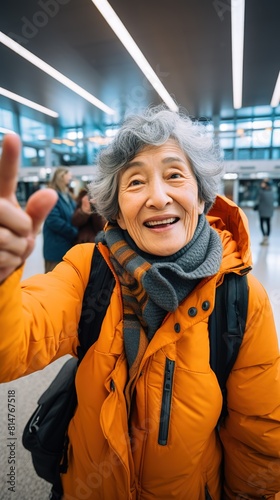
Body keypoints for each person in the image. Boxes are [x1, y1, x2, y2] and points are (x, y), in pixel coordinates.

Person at [0, 106, 280, 500]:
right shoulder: (88, 271)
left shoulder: (240, 297)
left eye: (174, 175)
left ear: (202, 197)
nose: (158, 196)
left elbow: (258, 437)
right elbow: (10, 349)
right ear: (116, 209)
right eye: (135, 182)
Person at [43, 167, 78, 272]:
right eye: (69, 175)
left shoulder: (67, 194)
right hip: (55, 247)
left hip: (66, 245)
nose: (71, 178)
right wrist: (73, 231)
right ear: (61, 176)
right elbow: (53, 220)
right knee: (53, 280)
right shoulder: (51, 195)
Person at [255, 178, 275, 245]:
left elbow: (258, 201)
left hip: (262, 211)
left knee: (262, 224)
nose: (262, 184)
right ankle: (267, 237)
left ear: (266, 184)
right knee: (268, 224)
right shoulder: (272, 192)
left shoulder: (261, 192)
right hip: (270, 211)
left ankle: (264, 236)